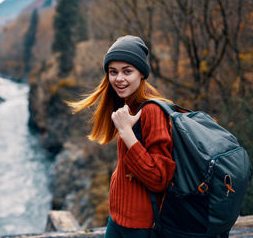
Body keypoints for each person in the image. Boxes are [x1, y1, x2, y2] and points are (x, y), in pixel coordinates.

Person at [68, 35, 176, 237]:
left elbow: (160, 178)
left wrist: (127, 133)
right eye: (113, 72)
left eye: (127, 71)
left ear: (141, 73)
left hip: (140, 227)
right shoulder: (128, 104)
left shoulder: (152, 110)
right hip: (118, 219)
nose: (119, 79)